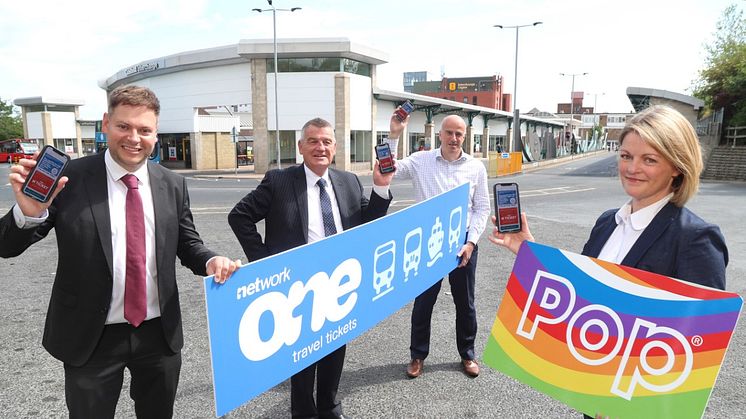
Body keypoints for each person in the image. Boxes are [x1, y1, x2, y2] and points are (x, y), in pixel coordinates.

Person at [0, 85, 240, 419]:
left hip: (159, 335)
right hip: (91, 336)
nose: (134, 138)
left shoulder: (172, 183)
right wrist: (28, 212)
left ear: (156, 134)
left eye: (145, 130)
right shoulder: (69, 178)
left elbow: (187, 243)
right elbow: (6, 247)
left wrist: (212, 260)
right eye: (124, 126)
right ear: (105, 124)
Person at [489, 105, 728, 416]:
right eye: (626, 156)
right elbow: (582, 296)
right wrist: (527, 250)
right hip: (594, 395)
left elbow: (693, 350)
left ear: (677, 167)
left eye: (649, 159)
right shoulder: (606, 223)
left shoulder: (696, 239)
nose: (632, 168)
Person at [228, 117, 394, 419]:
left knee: (335, 347)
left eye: (327, 141)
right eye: (314, 141)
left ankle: (330, 406)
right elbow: (239, 216)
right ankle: (303, 411)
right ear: (301, 147)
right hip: (299, 286)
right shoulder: (278, 181)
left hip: (340, 281)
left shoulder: (348, 181)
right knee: (302, 357)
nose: (321, 147)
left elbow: (369, 224)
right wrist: (266, 264)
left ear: (334, 148)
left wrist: (381, 187)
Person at [386, 112, 490, 379]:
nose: (454, 139)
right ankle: (417, 356)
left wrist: (471, 242)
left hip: (462, 244)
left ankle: (467, 354)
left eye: (459, 134)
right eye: (449, 133)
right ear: (439, 134)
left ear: (465, 136)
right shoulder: (422, 161)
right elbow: (390, 168)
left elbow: (481, 208)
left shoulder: (476, 167)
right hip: (428, 243)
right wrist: (394, 135)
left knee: (465, 303)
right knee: (424, 303)